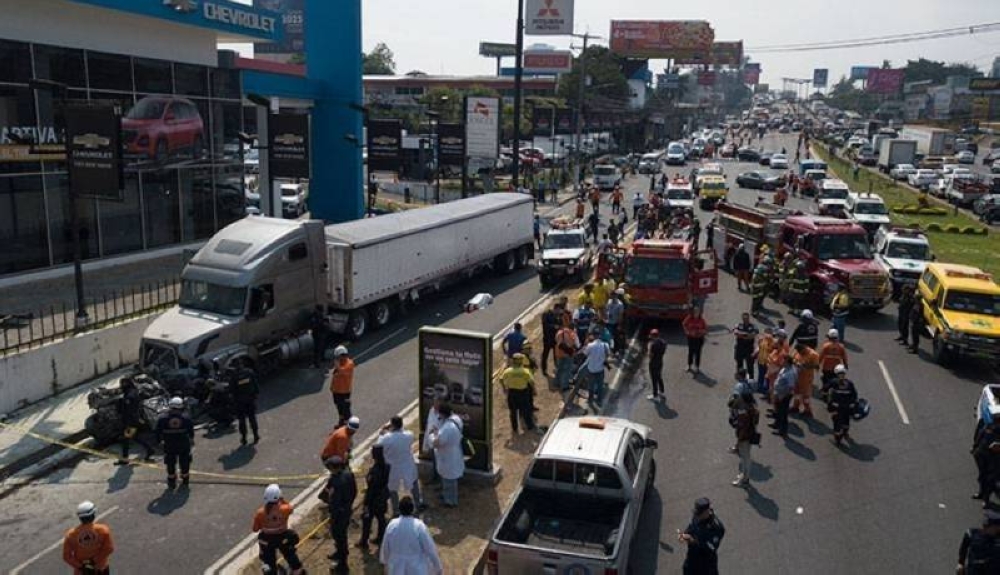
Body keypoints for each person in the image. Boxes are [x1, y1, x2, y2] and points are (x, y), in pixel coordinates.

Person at [380, 496, 443, 575]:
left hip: (396, 569)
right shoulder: (419, 526)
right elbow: (430, 549)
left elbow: (385, 547)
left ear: (399, 509)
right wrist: (438, 568)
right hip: (416, 569)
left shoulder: (392, 525)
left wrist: (385, 563)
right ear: (413, 509)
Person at [253, 484, 305, 575]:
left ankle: (271, 571)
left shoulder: (260, 513)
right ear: (279, 497)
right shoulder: (285, 509)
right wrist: (282, 499)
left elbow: (255, 529)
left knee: (268, 560)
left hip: (267, 540)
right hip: (283, 537)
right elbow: (290, 508)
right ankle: (297, 570)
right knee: (290, 554)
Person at [377, 416, 424, 515]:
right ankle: (418, 503)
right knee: (413, 483)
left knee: (393, 489)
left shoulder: (386, 438)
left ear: (392, 425)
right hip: (407, 464)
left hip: (393, 467)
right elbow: (405, 433)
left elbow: (378, 446)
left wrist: (382, 432)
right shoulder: (409, 435)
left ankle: (396, 510)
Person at [322, 455, 358, 572]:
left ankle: (343, 564)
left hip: (339, 513)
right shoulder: (348, 474)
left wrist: (331, 507)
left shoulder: (337, 481)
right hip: (346, 509)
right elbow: (354, 491)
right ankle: (340, 553)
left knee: (339, 536)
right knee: (339, 536)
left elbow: (333, 499)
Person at [63, 501, 114, 575]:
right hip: (100, 568)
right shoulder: (103, 530)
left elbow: (66, 556)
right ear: (93, 515)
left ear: (80, 517)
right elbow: (109, 548)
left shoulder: (70, 535)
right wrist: (93, 561)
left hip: (81, 572)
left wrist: (82, 567)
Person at [155, 396, 194, 490]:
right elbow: (191, 432)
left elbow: (157, 432)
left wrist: (159, 442)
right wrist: (191, 440)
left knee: (170, 463)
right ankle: (185, 479)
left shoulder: (162, 418)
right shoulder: (186, 418)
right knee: (185, 462)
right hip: (183, 444)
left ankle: (172, 481)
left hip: (169, 445)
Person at [678, 498, 725, 575]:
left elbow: (710, 548)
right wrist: (684, 535)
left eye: (699, 514)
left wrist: (692, 540)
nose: (697, 516)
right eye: (696, 513)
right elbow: (691, 527)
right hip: (692, 559)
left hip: (706, 565)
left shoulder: (716, 528)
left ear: (707, 512)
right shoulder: (697, 516)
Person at [430, 403, 464, 507]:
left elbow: (436, 443)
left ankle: (450, 501)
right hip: (455, 453)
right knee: (450, 479)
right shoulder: (456, 419)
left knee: (449, 480)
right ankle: (447, 496)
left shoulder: (447, 429)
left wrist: (433, 434)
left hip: (447, 456)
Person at [358, 445, 391, 552]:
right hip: (382, 498)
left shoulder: (375, 470)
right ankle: (380, 537)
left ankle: (364, 541)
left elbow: (371, 487)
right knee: (381, 518)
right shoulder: (387, 466)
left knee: (367, 520)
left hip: (373, 499)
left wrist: (366, 502)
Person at [116, 377, 154, 465]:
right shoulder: (131, 391)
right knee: (131, 437)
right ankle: (149, 450)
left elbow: (129, 408)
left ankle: (125, 459)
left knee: (129, 438)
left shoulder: (130, 394)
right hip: (132, 419)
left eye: (122, 384)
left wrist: (122, 404)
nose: (121, 386)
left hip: (130, 420)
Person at [500, 353, 537, 434]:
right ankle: (529, 426)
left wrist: (504, 388)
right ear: (521, 361)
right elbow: (531, 382)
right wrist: (534, 391)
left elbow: (501, 379)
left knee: (513, 412)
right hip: (523, 393)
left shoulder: (508, 371)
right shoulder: (525, 371)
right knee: (526, 410)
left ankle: (515, 428)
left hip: (512, 393)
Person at [229, 361, 261, 446]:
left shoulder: (234, 376)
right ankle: (256, 435)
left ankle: (244, 438)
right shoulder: (249, 372)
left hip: (240, 402)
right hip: (250, 400)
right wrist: (256, 395)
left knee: (242, 420)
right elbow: (255, 384)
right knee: (252, 418)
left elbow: (232, 390)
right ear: (242, 365)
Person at [731, 392, 759, 487]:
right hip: (750, 436)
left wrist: (737, 444)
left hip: (744, 438)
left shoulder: (744, 414)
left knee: (745, 459)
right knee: (746, 458)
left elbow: (742, 430)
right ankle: (744, 477)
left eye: (741, 398)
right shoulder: (754, 410)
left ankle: (744, 479)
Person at [827, 364, 858, 446]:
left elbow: (825, 389)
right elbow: (854, 395)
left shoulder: (833, 382)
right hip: (847, 407)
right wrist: (853, 404)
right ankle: (845, 433)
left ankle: (837, 440)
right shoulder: (850, 383)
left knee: (837, 422)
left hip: (837, 407)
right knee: (846, 420)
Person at [770, 354, 797, 438]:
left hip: (784, 395)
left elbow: (790, 387)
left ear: (787, 362)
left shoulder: (790, 373)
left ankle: (782, 431)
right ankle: (776, 424)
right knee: (778, 410)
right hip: (779, 393)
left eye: (783, 360)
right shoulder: (785, 368)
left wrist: (783, 395)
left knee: (783, 413)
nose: (781, 362)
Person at [972, 422, 1000, 503]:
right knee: (982, 477)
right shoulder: (990, 426)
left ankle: (985, 499)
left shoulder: (991, 427)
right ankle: (981, 494)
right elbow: (980, 434)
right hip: (983, 455)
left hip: (994, 460)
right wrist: (975, 447)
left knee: (990, 480)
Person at [581, 333, 611, 408]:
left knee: (591, 385)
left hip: (591, 369)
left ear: (594, 337)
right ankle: (599, 401)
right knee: (600, 385)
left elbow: (585, 354)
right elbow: (608, 355)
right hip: (600, 369)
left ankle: (590, 399)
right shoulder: (605, 345)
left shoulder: (590, 345)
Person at [791, 342, 820, 417]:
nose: (800, 353)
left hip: (806, 378)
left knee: (805, 396)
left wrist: (806, 366)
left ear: (804, 349)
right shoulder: (798, 351)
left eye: (801, 352)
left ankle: (808, 411)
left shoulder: (813, 354)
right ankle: (795, 407)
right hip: (797, 376)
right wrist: (796, 363)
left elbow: (817, 366)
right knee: (796, 392)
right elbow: (793, 359)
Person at [330, 345, 355, 424]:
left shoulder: (349, 363)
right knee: (339, 406)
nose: (336, 359)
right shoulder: (339, 363)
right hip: (336, 390)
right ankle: (341, 420)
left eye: (338, 357)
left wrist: (337, 366)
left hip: (344, 391)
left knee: (346, 408)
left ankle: (349, 423)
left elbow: (343, 372)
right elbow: (335, 376)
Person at [818, 328, 848, 393]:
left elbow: (820, 356)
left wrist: (817, 364)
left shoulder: (826, 346)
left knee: (825, 380)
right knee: (835, 381)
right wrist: (846, 365)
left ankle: (824, 393)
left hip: (826, 368)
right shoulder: (841, 346)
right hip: (836, 368)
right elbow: (844, 357)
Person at [554, 321, 580, 391]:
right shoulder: (572, 334)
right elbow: (577, 345)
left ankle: (557, 382)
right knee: (567, 370)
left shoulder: (559, 332)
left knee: (559, 368)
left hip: (559, 353)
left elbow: (556, 341)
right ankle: (564, 386)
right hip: (568, 355)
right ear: (573, 328)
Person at [683, 307, 708, 374]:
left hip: (699, 339)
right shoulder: (689, 318)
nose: (696, 313)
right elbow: (684, 324)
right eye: (695, 312)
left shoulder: (702, 320)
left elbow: (705, 329)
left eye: (698, 312)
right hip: (691, 338)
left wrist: (701, 331)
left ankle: (697, 367)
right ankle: (689, 365)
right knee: (690, 352)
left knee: (698, 353)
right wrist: (687, 332)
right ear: (693, 312)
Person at [540, 303, 562, 376]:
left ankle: (557, 369)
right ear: (555, 308)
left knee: (556, 355)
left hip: (555, 339)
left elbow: (560, 324)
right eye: (558, 310)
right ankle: (544, 370)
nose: (559, 312)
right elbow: (545, 325)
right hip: (547, 339)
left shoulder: (559, 316)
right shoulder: (546, 314)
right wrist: (553, 326)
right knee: (545, 355)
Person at [647, 329, 667, 402]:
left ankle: (655, 395)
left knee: (654, 379)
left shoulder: (653, 345)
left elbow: (650, 355)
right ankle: (661, 391)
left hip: (653, 363)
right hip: (660, 361)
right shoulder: (663, 342)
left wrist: (648, 348)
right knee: (659, 377)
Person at [605, 290, 626, 356]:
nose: (612, 297)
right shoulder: (609, 301)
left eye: (613, 295)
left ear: (616, 296)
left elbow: (621, 315)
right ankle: (612, 349)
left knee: (616, 337)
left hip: (615, 323)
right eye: (611, 295)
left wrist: (619, 325)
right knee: (610, 337)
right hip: (608, 322)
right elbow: (607, 310)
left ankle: (616, 350)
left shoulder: (620, 304)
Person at [755, 327, 774, 395]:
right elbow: (759, 348)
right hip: (760, 360)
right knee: (761, 375)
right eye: (765, 333)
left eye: (767, 333)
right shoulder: (762, 340)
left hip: (768, 362)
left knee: (767, 376)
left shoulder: (773, 342)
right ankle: (759, 388)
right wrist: (755, 354)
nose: (766, 334)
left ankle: (766, 389)